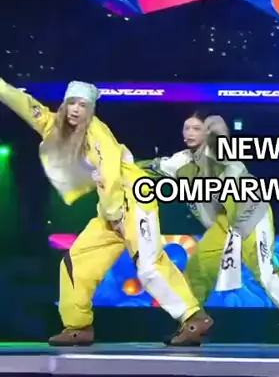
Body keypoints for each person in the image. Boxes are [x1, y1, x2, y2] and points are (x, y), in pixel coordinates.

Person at [0, 79, 212, 346]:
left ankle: (193, 318)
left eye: (83, 105)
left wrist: (116, 214)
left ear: (91, 110)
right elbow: (25, 104)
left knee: (149, 265)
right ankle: (78, 326)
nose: (76, 110)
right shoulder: (53, 124)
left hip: (133, 199)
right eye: (72, 103)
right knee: (77, 261)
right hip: (110, 209)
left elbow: (110, 173)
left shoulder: (97, 133)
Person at [137, 112, 279, 325]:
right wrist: (120, 166)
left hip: (248, 213)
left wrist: (217, 134)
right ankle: (192, 322)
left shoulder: (220, 153)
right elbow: (150, 167)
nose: (189, 133)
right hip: (224, 223)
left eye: (196, 129)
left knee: (264, 271)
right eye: (186, 128)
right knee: (198, 269)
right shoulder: (180, 161)